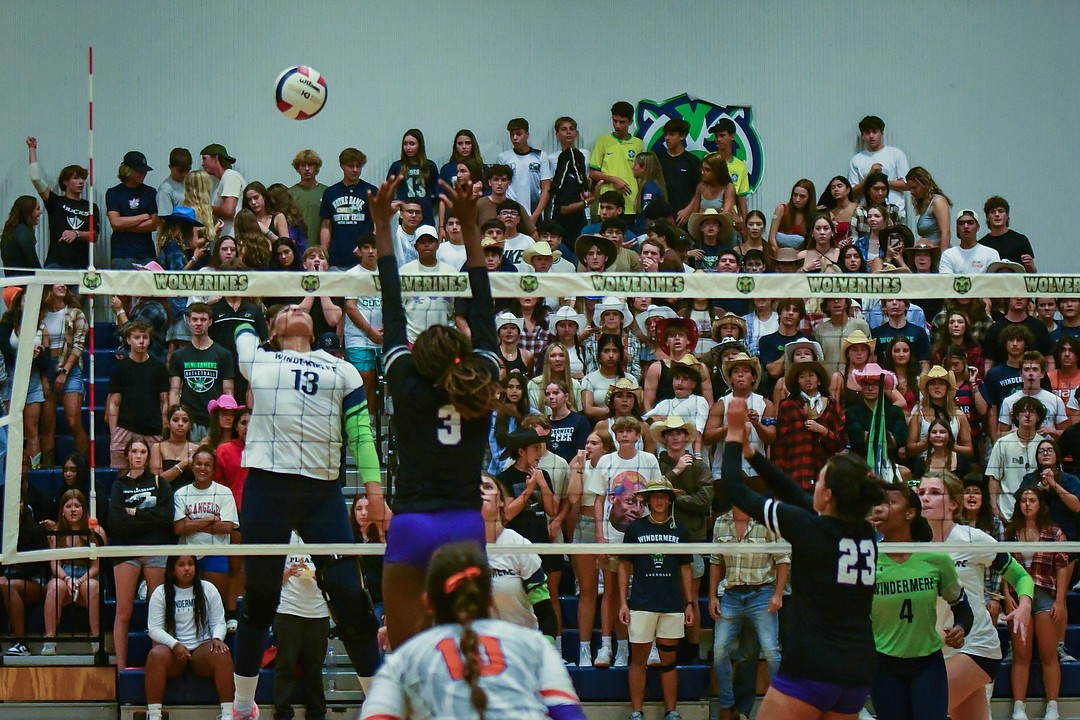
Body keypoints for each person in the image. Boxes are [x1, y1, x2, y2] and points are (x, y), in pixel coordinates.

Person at [228, 281, 386, 720]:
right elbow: (239, 315)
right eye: (286, 310)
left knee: (349, 596)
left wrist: (374, 495)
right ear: (273, 331)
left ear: (315, 331)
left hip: (321, 492)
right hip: (267, 488)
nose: (297, 310)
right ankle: (243, 706)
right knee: (258, 600)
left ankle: (380, 703)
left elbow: (360, 435)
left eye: (302, 308)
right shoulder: (259, 357)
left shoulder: (341, 369)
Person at [372, 173, 500, 650]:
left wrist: (383, 228)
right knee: (464, 657)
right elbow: (482, 301)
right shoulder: (481, 377)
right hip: (465, 526)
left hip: (412, 526)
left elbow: (391, 304)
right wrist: (470, 227)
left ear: (417, 354)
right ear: (462, 355)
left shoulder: (405, 381)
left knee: (407, 657)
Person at [721, 396, 885, 719]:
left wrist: (733, 434)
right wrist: (752, 454)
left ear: (829, 495)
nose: (814, 484)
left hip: (813, 664)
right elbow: (795, 494)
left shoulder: (809, 527)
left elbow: (733, 489)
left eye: (820, 479)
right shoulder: (864, 532)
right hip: (856, 669)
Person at [360, 542, 585, 720]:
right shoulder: (533, 646)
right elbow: (568, 714)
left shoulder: (404, 659)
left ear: (428, 602)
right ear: (489, 599)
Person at [917, 472, 1035, 720]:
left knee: (924, 710)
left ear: (953, 504)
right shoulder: (911, 545)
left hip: (977, 647)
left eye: (935, 493)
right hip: (939, 649)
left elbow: (1021, 576)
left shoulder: (972, 538)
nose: (925, 498)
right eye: (921, 492)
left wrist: (1025, 604)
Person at [869, 483, 973, 720]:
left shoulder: (936, 559)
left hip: (927, 665)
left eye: (889, 503)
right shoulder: (868, 558)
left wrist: (960, 628)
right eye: (877, 504)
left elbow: (963, 609)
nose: (879, 509)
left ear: (910, 513)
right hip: (883, 666)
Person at [618, 479, 693, 720]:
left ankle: (671, 711)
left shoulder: (680, 530)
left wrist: (690, 602)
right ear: (648, 500)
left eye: (664, 496)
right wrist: (623, 601)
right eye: (655, 496)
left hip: (672, 605)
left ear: (670, 500)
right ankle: (637, 712)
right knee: (638, 660)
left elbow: (686, 569)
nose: (659, 500)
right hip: (642, 604)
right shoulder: (635, 529)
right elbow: (623, 567)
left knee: (668, 662)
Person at [709, 498, 788, 720]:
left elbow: (783, 558)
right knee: (719, 651)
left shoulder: (767, 522)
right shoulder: (720, 522)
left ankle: (780, 706)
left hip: (761, 593)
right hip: (731, 594)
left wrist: (778, 594)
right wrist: (713, 595)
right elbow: (716, 561)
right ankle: (728, 706)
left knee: (771, 651)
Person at [109, 438, 175, 671]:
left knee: (157, 611)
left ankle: (158, 664)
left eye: (143, 452)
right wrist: (149, 518)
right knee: (123, 612)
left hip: (156, 549)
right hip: (127, 550)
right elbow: (116, 522)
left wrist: (135, 513)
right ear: (127, 455)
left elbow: (167, 517)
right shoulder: (119, 485)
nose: (138, 456)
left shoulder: (159, 483)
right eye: (134, 452)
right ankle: (121, 669)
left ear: (148, 455)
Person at [1004, 487, 1069, 720]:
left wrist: (1060, 601)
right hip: (1018, 595)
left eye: (1032, 500)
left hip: (1044, 593)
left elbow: (1062, 566)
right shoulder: (1011, 531)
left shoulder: (1053, 531)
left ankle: (1053, 707)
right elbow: (1004, 565)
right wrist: (1006, 595)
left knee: (1049, 654)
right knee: (1021, 654)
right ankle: (1018, 708)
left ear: (1040, 503)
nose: (1027, 504)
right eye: (1023, 500)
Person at [144, 555, 233, 720]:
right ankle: (155, 714)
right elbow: (154, 629)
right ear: (172, 569)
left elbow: (219, 622)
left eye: (191, 564)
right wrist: (175, 644)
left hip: (201, 651)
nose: (187, 568)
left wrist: (217, 638)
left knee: (222, 652)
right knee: (156, 654)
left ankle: (228, 713)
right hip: (174, 653)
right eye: (181, 564)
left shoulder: (208, 589)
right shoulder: (161, 592)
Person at [480, 476, 558, 640]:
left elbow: (545, 612)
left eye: (487, 487)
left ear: (501, 501)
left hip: (520, 646)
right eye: (476, 489)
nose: (481, 492)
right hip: (480, 651)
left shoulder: (519, 545)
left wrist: (544, 650)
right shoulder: (462, 550)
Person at [273, 533, 331, 720]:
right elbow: (270, 580)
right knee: (285, 665)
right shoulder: (281, 538)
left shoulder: (322, 537)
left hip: (318, 612)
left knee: (314, 668)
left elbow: (333, 577)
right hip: (288, 610)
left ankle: (317, 714)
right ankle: (282, 713)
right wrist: (289, 572)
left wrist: (315, 575)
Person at [172, 447, 238, 611]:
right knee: (189, 608)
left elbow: (227, 527)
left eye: (207, 465)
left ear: (214, 469)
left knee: (213, 607)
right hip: (188, 553)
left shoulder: (224, 493)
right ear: (192, 467)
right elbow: (179, 528)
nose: (202, 468)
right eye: (199, 464)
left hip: (216, 552)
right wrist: (210, 519)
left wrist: (193, 523)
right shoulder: (181, 493)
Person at [41, 489, 106, 655]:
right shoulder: (56, 533)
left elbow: (96, 567)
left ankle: (95, 638)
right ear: (62, 510)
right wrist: (69, 579)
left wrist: (79, 581)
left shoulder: (95, 532)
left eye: (77, 505)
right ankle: (50, 640)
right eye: (68, 506)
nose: (73, 510)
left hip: (86, 576)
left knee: (92, 586)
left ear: (84, 509)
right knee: (55, 587)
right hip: (64, 575)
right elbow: (55, 566)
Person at [26, 136, 101, 269]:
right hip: (57, 263)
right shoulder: (55, 201)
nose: (81, 182)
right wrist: (32, 148)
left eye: (82, 178)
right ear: (66, 181)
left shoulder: (90, 206)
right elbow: (36, 178)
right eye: (76, 178)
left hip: (82, 266)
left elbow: (94, 235)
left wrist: (76, 233)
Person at [168, 303, 236, 442]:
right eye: (195, 319)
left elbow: (228, 393)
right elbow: (174, 392)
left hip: (213, 421)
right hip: (188, 421)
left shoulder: (223, 354)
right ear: (188, 321)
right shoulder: (179, 355)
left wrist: (224, 421)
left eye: (203, 319)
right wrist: (173, 418)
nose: (198, 323)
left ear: (210, 322)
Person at [107, 321, 169, 469]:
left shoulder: (159, 367)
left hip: (153, 428)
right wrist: (114, 433)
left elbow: (164, 402)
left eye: (145, 337)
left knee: (155, 474)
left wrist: (164, 430)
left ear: (149, 340)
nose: (141, 341)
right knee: (123, 474)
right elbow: (114, 403)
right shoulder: (120, 368)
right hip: (125, 428)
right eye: (136, 337)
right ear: (128, 340)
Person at [39, 283, 90, 464]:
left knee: (73, 420)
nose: (62, 285)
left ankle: (83, 465)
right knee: (47, 424)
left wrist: (64, 372)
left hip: (70, 366)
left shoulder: (76, 313)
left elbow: (78, 346)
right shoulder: (40, 314)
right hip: (45, 366)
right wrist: (44, 377)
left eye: (64, 283)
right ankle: (47, 465)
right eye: (57, 282)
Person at [319, 147, 377, 269]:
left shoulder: (371, 191)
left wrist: (367, 245)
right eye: (351, 166)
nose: (355, 170)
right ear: (342, 166)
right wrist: (323, 254)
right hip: (337, 259)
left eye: (358, 166)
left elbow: (378, 224)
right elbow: (326, 226)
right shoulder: (330, 193)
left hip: (363, 260)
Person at [590, 101, 645, 222]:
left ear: (630, 122)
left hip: (630, 202)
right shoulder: (603, 141)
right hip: (607, 203)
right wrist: (614, 180)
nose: (618, 126)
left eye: (622, 122)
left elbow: (640, 175)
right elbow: (593, 173)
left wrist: (640, 198)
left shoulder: (638, 144)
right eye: (615, 121)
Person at [848, 116, 910, 215]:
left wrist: (881, 182)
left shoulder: (896, 154)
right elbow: (852, 193)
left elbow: (907, 185)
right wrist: (870, 176)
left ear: (882, 133)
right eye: (867, 133)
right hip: (867, 214)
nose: (871, 136)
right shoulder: (856, 160)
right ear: (862, 135)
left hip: (894, 211)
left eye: (875, 132)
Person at [201, 144, 245, 239]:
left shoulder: (230, 177)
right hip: (225, 240)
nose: (202, 164)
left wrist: (205, 207)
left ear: (216, 158)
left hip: (232, 239)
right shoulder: (222, 181)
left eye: (204, 159)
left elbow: (228, 211)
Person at [981, 196, 1036, 271]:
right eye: (992, 212)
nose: (997, 215)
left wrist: (1029, 265)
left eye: (1001, 211)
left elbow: (1032, 273)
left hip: (1016, 282)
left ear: (1007, 215)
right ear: (987, 217)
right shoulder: (982, 245)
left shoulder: (1020, 240)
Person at [938, 210, 1000, 274]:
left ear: (978, 227)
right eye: (961, 223)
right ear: (957, 228)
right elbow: (946, 281)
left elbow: (993, 281)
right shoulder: (948, 255)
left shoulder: (991, 254)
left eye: (970, 223)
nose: (966, 226)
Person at [289, 149, 328, 248]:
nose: (307, 169)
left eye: (310, 165)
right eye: (303, 165)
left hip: (321, 249)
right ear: (298, 168)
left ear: (316, 167)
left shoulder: (327, 192)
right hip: (297, 249)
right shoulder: (290, 193)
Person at [907, 167, 952, 248]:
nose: (911, 192)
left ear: (924, 184)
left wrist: (944, 257)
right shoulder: (925, 205)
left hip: (938, 253)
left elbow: (946, 233)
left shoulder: (938, 201)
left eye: (914, 188)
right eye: (910, 188)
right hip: (928, 254)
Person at [1, 195, 42, 276]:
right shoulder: (22, 231)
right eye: (37, 209)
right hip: (23, 285)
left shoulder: (11, 230)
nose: (40, 212)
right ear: (28, 211)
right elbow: (33, 261)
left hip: (12, 284)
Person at [156, 147, 192, 217]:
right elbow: (166, 220)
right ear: (170, 167)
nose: (184, 174)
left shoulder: (190, 183)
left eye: (187, 170)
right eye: (180, 171)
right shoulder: (165, 190)